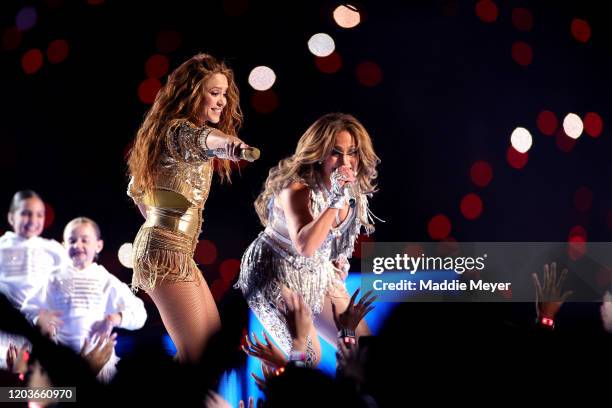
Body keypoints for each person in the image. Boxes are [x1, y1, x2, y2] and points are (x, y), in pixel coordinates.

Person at [126, 52, 249, 363]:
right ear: (192, 93)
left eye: (224, 94)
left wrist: (162, 225)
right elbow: (205, 139)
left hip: (174, 251)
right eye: (214, 93)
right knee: (198, 356)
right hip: (166, 255)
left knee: (212, 350)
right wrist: (229, 145)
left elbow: (139, 193)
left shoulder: (166, 132)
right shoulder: (180, 131)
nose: (222, 101)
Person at [236, 113, 380, 366]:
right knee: (311, 357)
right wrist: (336, 198)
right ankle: (284, 377)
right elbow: (305, 245)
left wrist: (338, 263)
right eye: (335, 152)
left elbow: (339, 239)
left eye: (352, 152)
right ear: (319, 153)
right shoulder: (296, 189)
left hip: (316, 271)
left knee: (364, 347)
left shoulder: (353, 193)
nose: (345, 161)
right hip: (273, 269)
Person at [22, 217, 147, 382]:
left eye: (85, 240)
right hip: (61, 359)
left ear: (98, 245)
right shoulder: (53, 279)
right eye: (72, 241)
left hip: (98, 361)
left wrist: (114, 318)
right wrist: (41, 320)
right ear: (64, 246)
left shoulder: (105, 279)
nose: (77, 245)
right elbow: (27, 308)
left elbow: (139, 314)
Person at [0, 190, 68, 369]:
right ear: (11, 217)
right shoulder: (1, 247)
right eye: (25, 213)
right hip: (8, 331)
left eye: (39, 215)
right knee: (13, 386)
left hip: (44, 328)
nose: (33, 220)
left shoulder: (52, 249)